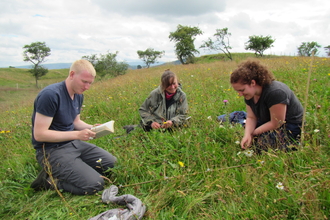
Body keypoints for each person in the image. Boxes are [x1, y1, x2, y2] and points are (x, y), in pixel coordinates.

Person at [30, 59, 117, 195]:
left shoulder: (78, 95)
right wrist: (77, 135)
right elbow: (40, 134)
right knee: (95, 185)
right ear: (71, 75)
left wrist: (92, 127)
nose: (87, 87)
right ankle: (48, 181)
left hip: (73, 143)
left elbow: (75, 122)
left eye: (90, 83)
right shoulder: (51, 95)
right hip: (51, 150)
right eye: (84, 81)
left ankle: (78, 168)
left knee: (112, 165)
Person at [230, 59, 303, 153]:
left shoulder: (275, 92)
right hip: (266, 120)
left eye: (242, 90)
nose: (240, 94)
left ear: (253, 83)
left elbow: (277, 123)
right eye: (238, 91)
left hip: (288, 126)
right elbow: (251, 117)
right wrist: (247, 134)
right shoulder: (249, 94)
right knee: (233, 122)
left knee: (261, 145)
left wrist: (254, 133)